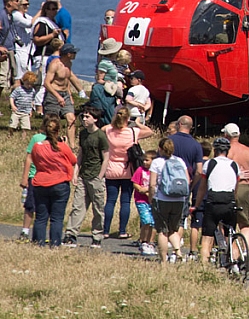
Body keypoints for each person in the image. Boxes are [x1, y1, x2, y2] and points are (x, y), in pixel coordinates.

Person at [103, 106, 155, 238]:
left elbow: (102, 129)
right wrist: (137, 122)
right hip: (128, 169)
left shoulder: (108, 130)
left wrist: (114, 121)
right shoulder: (133, 132)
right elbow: (150, 132)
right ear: (128, 118)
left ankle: (106, 230)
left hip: (111, 168)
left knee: (110, 201)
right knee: (125, 202)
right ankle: (122, 231)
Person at [64, 106, 110, 248]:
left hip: (95, 176)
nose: (84, 119)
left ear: (95, 119)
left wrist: (100, 176)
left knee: (98, 208)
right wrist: (76, 172)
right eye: (83, 117)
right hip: (84, 175)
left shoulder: (101, 136)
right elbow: (81, 154)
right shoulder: (83, 134)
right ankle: (71, 235)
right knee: (78, 206)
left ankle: (97, 236)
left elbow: (106, 157)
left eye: (87, 117)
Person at [30, 113, 77, 246]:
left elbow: (35, 160)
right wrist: (66, 144)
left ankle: (39, 243)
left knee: (40, 217)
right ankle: (55, 244)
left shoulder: (37, 146)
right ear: (58, 131)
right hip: (60, 183)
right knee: (57, 218)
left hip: (41, 182)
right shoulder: (61, 146)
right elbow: (73, 160)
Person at [195, 137, 241, 270]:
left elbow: (202, 188)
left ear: (215, 150)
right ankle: (235, 263)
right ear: (227, 151)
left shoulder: (209, 164)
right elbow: (235, 187)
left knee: (207, 237)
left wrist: (197, 205)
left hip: (213, 199)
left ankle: (204, 268)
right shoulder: (234, 165)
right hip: (229, 200)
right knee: (230, 235)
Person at [149, 137, 190, 263]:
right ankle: (178, 252)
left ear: (160, 149)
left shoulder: (157, 163)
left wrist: (151, 198)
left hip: (162, 198)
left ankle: (163, 261)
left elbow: (152, 184)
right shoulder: (180, 161)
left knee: (162, 231)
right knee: (173, 229)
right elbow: (187, 180)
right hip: (179, 200)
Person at [223, 122, 249, 246]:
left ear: (226, 135)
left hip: (228, 188)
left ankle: (229, 250)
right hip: (244, 188)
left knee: (226, 222)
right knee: (245, 224)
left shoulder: (226, 151)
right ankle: (245, 250)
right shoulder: (248, 151)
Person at [43, 43, 86, 147]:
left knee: (71, 118)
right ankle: (50, 143)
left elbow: (68, 80)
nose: (76, 54)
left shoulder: (69, 64)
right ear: (68, 54)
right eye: (74, 52)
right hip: (53, 94)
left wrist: (72, 94)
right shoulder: (55, 64)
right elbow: (46, 83)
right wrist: (58, 96)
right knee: (52, 121)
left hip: (65, 94)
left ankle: (72, 145)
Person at [19, 125, 47, 241]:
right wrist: (25, 177)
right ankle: (25, 231)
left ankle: (39, 234)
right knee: (30, 204)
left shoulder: (57, 139)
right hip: (34, 175)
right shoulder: (37, 138)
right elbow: (29, 158)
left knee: (44, 207)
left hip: (48, 177)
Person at [132, 150, 157, 255]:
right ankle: (143, 241)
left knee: (153, 223)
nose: (144, 162)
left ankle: (151, 242)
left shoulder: (155, 172)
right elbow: (135, 183)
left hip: (152, 200)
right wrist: (141, 189)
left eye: (147, 160)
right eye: (144, 160)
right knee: (146, 221)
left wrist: (147, 191)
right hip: (141, 200)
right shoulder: (140, 170)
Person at [31, 0, 63, 72]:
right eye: (51, 9)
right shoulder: (42, 23)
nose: (54, 11)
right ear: (46, 10)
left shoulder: (55, 23)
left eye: (55, 9)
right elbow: (36, 40)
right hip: (44, 56)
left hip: (54, 57)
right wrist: (52, 35)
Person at [0, 0, 18, 98]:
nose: (18, 3)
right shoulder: (2, 15)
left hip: (9, 50)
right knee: (1, 80)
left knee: (6, 79)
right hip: (3, 51)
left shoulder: (9, 16)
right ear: (9, 3)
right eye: (16, 1)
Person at [9, 71, 37, 137]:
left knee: (25, 127)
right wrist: (12, 105)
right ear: (23, 81)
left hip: (26, 112)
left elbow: (32, 100)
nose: (29, 86)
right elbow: (11, 97)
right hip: (16, 111)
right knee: (12, 124)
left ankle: (23, 137)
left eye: (31, 84)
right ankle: (10, 134)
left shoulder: (32, 91)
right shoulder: (18, 89)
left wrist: (31, 110)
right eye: (27, 84)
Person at [12, 0, 34, 78]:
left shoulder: (28, 17)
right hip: (19, 49)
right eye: (24, 4)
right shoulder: (15, 15)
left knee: (27, 75)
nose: (27, 6)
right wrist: (41, 11)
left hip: (28, 50)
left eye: (28, 4)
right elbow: (29, 24)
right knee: (21, 76)